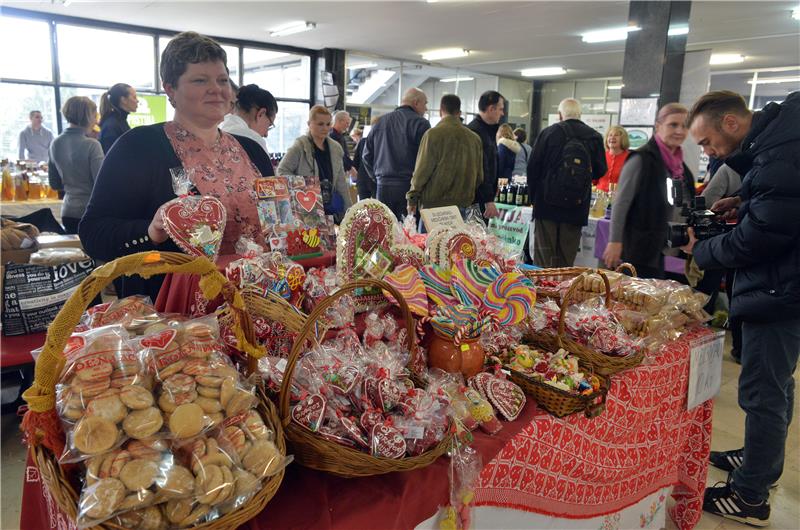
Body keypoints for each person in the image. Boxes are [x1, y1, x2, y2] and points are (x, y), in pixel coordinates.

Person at [80, 31, 275, 300]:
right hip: (175, 322)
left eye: (222, 80)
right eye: (199, 80)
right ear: (170, 88)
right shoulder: (138, 147)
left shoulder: (253, 150)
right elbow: (93, 233)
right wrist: (151, 231)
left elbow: (278, 223)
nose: (216, 89)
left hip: (262, 305)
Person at [680, 90, 800, 527]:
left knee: (762, 392)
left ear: (731, 123)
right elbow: (777, 211)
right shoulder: (778, 144)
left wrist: (704, 252)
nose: (708, 153)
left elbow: (761, 238)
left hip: (779, 290)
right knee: (773, 385)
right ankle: (757, 462)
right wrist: (745, 204)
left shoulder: (781, 154)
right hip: (779, 285)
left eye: (708, 142)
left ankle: (750, 496)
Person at [602, 103, 695, 278]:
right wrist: (614, 241)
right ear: (658, 126)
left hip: (666, 248)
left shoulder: (678, 165)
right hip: (639, 248)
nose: (680, 131)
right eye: (673, 125)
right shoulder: (641, 159)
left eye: (684, 126)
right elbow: (621, 203)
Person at [528, 98, 606, 268]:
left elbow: (533, 167)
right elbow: (600, 170)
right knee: (566, 260)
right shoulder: (594, 137)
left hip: (546, 205)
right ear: (580, 114)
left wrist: (533, 199)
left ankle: (542, 292)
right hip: (576, 207)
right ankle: (562, 292)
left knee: (543, 259)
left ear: (560, 114)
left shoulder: (548, 133)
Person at [406, 94, 483, 225]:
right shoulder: (474, 139)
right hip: (462, 208)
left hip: (434, 209)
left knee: (431, 245)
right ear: (459, 113)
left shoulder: (432, 134)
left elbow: (422, 172)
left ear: (440, 110)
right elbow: (479, 177)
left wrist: (412, 199)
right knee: (457, 244)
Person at [362, 87, 430, 220]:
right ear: (416, 103)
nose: (426, 108)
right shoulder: (420, 124)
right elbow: (426, 160)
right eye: (425, 103)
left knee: (385, 231)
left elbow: (366, 156)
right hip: (409, 188)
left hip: (383, 187)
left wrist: (376, 177)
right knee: (408, 234)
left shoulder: (380, 122)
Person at [277, 105, 353, 222]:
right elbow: (282, 171)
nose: (325, 128)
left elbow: (341, 182)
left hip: (330, 208)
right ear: (309, 124)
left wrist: (349, 213)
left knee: (328, 238)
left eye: (328, 124)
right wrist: (305, 186)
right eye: (320, 124)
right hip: (306, 207)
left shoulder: (335, 148)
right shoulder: (300, 146)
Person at [48, 97, 104, 234]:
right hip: (90, 212)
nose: (96, 119)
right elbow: (101, 183)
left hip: (68, 211)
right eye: (94, 114)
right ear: (88, 116)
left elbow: (54, 184)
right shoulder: (92, 145)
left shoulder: (55, 143)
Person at [467, 90, 505, 219]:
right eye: (500, 109)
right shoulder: (475, 132)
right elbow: (481, 168)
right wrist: (488, 200)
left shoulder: (488, 131)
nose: (502, 113)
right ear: (491, 109)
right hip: (476, 200)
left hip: (483, 197)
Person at [220, 83, 278, 155]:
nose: (266, 134)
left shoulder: (217, 130)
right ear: (261, 114)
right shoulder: (253, 141)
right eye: (269, 125)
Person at [98, 83, 139, 154]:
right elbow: (111, 155)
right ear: (123, 100)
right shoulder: (112, 125)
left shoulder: (119, 121)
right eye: (134, 97)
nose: (137, 101)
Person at [596, 125, 630, 192]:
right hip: (600, 197)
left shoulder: (631, 158)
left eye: (616, 135)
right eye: (610, 135)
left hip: (621, 198)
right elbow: (594, 179)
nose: (612, 137)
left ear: (623, 139)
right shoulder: (600, 156)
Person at [353, 116, 379, 200]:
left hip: (362, 180)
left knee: (363, 209)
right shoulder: (383, 143)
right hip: (376, 180)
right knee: (377, 208)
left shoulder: (363, 141)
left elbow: (355, 162)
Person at [330, 110, 355, 178]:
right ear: (339, 121)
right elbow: (340, 155)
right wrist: (350, 167)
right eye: (347, 123)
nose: (348, 126)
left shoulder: (340, 135)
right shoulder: (332, 136)